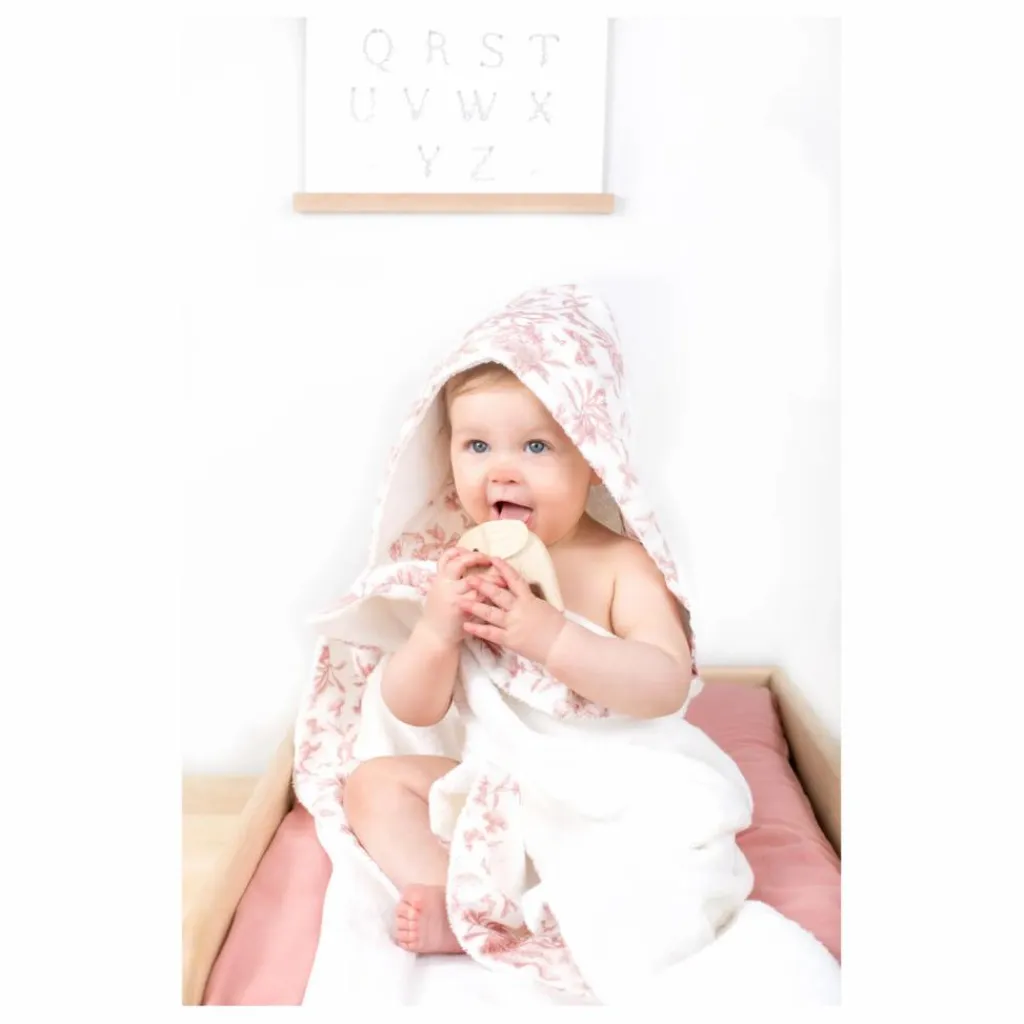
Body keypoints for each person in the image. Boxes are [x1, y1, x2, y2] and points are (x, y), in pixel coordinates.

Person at [342, 361, 694, 955]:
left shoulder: (621, 566)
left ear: (595, 460)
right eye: (477, 445)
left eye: (536, 446)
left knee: (663, 841)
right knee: (372, 786)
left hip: (602, 793)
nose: (502, 470)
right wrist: (436, 633)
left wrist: (553, 639)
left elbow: (666, 683)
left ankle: (563, 905)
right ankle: (465, 907)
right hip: (504, 788)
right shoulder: (465, 567)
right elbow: (413, 711)